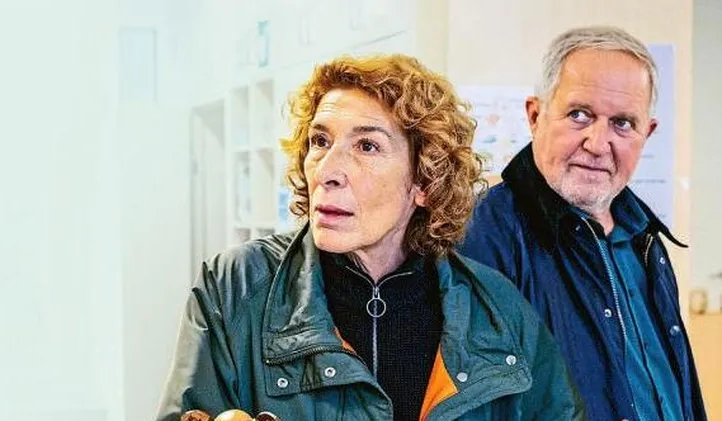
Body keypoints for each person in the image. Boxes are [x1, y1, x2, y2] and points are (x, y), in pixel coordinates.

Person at [155, 54, 584, 421]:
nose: (327, 170)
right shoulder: (234, 288)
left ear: (424, 181)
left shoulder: (497, 307)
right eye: (320, 141)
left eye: (367, 147)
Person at [458, 26, 707, 421]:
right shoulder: (485, 234)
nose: (597, 143)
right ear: (535, 116)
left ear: (647, 133)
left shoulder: (644, 237)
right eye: (579, 115)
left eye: (623, 123)